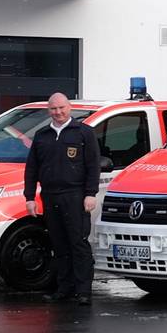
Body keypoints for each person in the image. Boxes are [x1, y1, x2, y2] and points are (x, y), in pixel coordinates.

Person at [24, 92, 104, 305]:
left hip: (76, 196)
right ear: (48, 111)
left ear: (69, 108)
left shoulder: (83, 133)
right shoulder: (42, 135)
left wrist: (90, 193)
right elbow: (32, 169)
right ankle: (64, 288)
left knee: (78, 244)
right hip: (50, 196)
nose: (58, 112)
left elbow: (92, 165)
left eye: (61, 108)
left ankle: (83, 291)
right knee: (59, 244)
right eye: (53, 109)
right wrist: (29, 197)